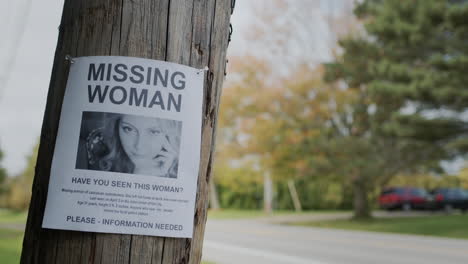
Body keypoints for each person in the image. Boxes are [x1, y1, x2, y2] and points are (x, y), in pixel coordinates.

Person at [78, 113, 181, 178]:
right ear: (116, 126)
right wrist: (140, 174)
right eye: (128, 129)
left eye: (154, 132)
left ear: (169, 134)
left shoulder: (182, 172)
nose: (139, 146)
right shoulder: (99, 145)